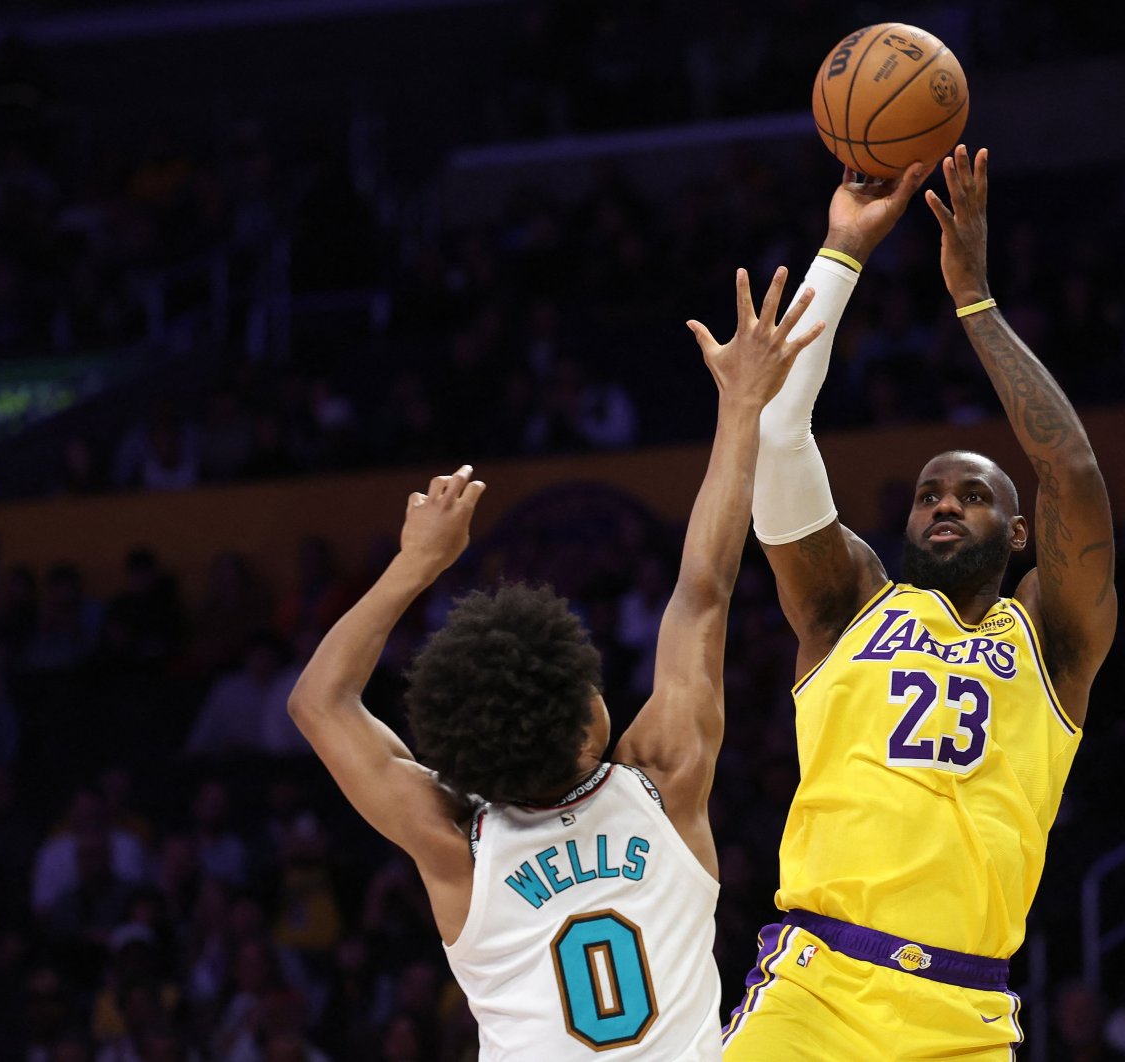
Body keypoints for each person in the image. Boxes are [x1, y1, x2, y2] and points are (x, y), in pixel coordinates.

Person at [288, 266, 824, 1060]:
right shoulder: (665, 781)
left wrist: (416, 564)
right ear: (587, 724)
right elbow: (702, 590)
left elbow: (319, 704)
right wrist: (741, 406)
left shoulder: (458, 846)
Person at [723, 145, 1117, 1059]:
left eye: (974, 494)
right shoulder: (844, 603)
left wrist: (973, 300)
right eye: (930, 493)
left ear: (1020, 535)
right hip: (814, 990)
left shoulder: (1052, 640)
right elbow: (778, 432)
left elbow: (1071, 470)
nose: (944, 503)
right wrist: (843, 248)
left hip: (963, 1014)